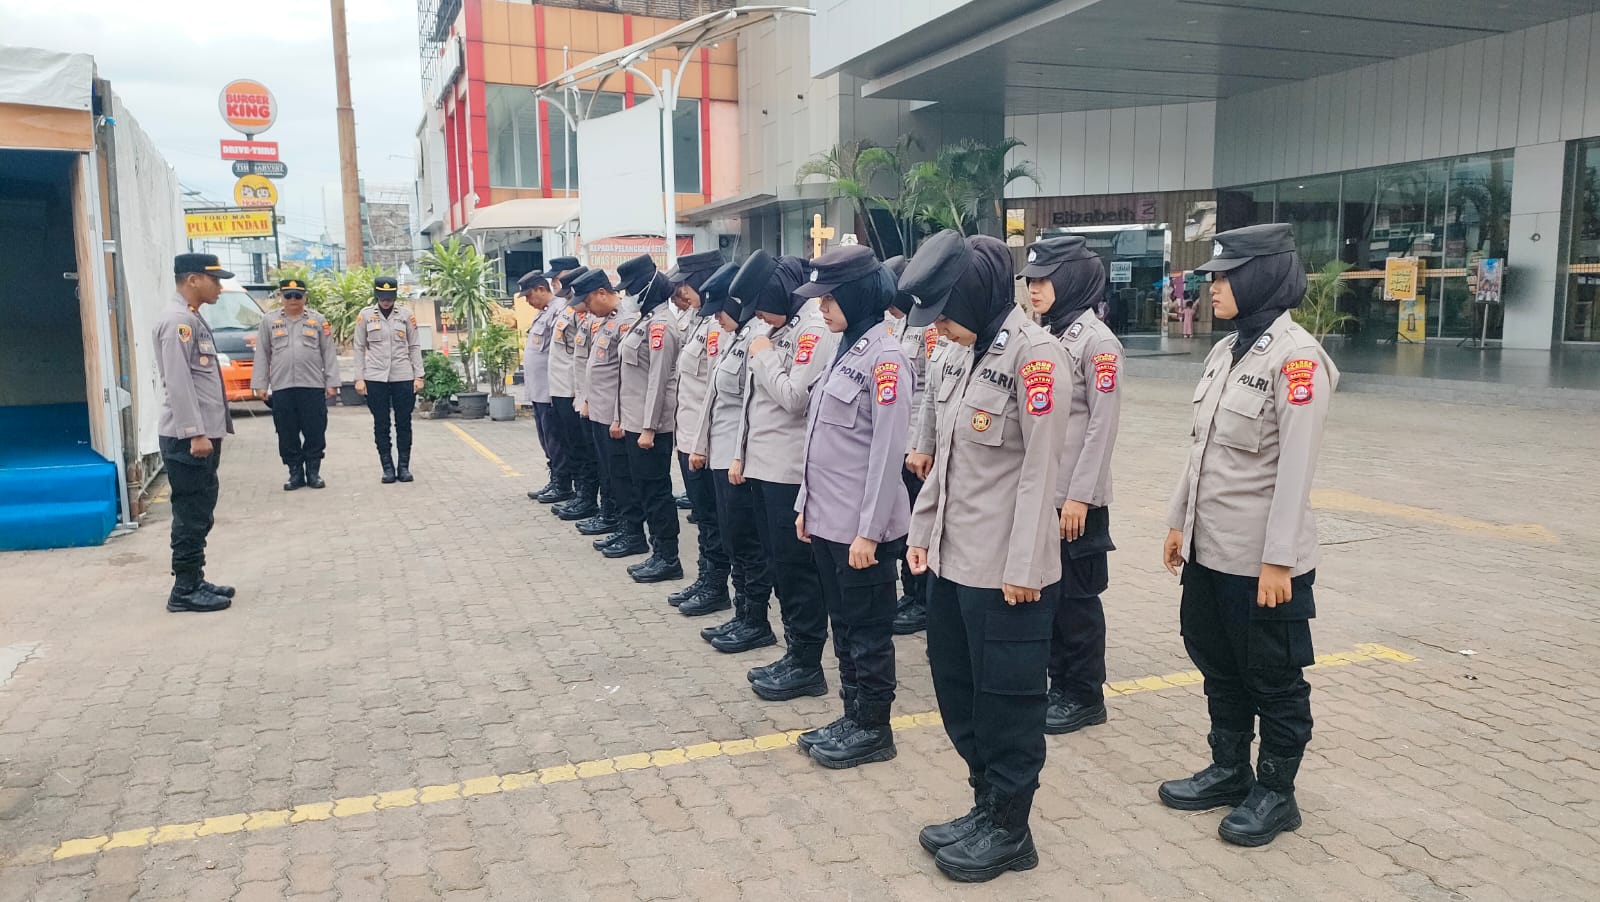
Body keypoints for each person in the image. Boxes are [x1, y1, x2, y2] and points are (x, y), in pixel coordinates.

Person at [1159, 224, 1338, 848]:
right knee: (1218, 663)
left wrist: (1279, 562)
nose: (1212, 287)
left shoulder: (1297, 360)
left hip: (1263, 562)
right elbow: (1200, 450)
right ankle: (1230, 769)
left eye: (1225, 275)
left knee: (1273, 677)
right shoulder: (1226, 351)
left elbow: (1296, 470)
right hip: (1211, 551)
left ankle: (1277, 793)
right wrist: (1178, 521)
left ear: (1260, 276)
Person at [903, 230, 1069, 883]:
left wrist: (1025, 567)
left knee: (1008, 702)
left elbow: (1040, 472)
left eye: (944, 312)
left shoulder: (1037, 358)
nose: (937, 326)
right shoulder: (954, 354)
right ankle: (984, 804)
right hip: (954, 561)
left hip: (1007, 573)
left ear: (974, 296)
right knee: (957, 690)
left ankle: (1011, 829)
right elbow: (943, 461)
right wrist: (921, 534)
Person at [792, 246, 913, 770]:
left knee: (868, 632)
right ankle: (851, 714)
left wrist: (869, 531)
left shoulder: (886, 359)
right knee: (843, 627)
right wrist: (805, 505)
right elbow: (818, 441)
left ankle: (874, 727)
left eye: (830, 298)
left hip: (862, 531)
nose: (821, 307)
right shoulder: (845, 350)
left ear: (859, 294)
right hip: (828, 520)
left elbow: (887, 455)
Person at [1021, 236, 1124, 737]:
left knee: (1077, 602)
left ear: (1072, 281)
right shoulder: (1046, 336)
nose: (1034, 289)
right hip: (1047, 495)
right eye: (1031, 281)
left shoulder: (1098, 343)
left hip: (1077, 501)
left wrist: (1081, 496)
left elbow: (1102, 427)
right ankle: (1058, 683)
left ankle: (1083, 695)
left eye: (1044, 280)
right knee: (1050, 596)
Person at [737, 254, 840, 702]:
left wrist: (763, 358)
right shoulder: (775, 331)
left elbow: (795, 398)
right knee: (779, 565)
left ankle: (807, 663)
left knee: (798, 571)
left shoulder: (811, 331)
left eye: (762, 305)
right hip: (763, 467)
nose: (759, 316)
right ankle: (794, 651)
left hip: (789, 471)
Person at [691, 255, 780, 654]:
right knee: (732, 540)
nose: (715, 318)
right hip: (722, 454)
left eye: (720, 310)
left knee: (747, 543)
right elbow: (714, 398)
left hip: (739, 460)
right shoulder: (735, 337)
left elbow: (751, 404)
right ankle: (742, 612)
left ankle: (756, 619)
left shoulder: (759, 339)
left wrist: (740, 455)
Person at [155, 254, 237, 613]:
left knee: (201, 509)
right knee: (190, 512)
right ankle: (184, 590)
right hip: (188, 438)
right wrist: (195, 433)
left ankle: (194, 577)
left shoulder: (190, 317)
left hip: (200, 434)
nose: (219, 287)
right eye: (214, 280)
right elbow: (178, 382)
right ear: (193, 280)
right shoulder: (178, 322)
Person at [620, 254, 702, 585]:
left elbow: (658, 380)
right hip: (634, 420)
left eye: (631, 289)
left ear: (647, 289)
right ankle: (658, 552)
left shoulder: (661, 326)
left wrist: (649, 428)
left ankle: (668, 557)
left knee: (656, 491)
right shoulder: (646, 320)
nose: (627, 295)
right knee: (645, 488)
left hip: (649, 425)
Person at [671, 261, 738, 615]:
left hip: (705, 441)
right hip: (688, 436)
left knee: (713, 521)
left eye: (686, 285)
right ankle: (706, 576)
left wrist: (701, 444)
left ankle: (716, 585)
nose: (681, 292)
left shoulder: (718, 328)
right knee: (703, 518)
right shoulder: (700, 321)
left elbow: (714, 391)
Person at [574, 265, 648, 558]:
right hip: (600, 412)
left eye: (588, 301)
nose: (587, 308)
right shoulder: (607, 320)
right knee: (611, 474)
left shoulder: (626, 321)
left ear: (602, 293)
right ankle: (621, 525)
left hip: (615, 417)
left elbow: (624, 376)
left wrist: (618, 416)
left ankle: (634, 534)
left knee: (623, 477)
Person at [883, 255, 938, 635]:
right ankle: (911, 590)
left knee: (921, 522)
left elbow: (930, 390)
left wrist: (923, 445)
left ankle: (924, 598)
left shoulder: (929, 326)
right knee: (905, 523)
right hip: (900, 441)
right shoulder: (898, 324)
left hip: (918, 443)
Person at [252, 278, 340, 491]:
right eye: (288, 295)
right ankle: (295, 473)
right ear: (281, 297)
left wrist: (332, 382)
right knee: (286, 432)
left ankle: (313, 472)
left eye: (298, 295)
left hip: (312, 385)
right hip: (282, 387)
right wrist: (260, 384)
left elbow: (328, 352)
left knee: (315, 430)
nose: (293, 299)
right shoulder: (269, 321)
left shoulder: (318, 320)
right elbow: (262, 353)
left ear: (305, 297)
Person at [354, 276, 423, 484]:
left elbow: (414, 346)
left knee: (404, 423)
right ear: (376, 295)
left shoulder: (406, 315)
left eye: (390, 297)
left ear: (395, 296)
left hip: (403, 376)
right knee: (381, 424)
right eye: (382, 297)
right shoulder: (365, 315)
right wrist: (359, 378)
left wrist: (419, 375)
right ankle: (387, 468)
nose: (386, 301)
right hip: (375, 378)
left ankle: (403, 467)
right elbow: (359, 347)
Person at [548, 265, 603, 521]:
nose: (571, 299)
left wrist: (582, 396)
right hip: (563, 388)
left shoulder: (587, 317)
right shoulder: (570, 311)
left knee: (584, 449)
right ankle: (581, 494)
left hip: (575, 391)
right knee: (573, 446)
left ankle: (587, 497)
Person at [522, 272, 571, 504]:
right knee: (546, 438)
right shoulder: (543, 313)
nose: (527, 301)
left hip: (551, 390)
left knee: (555, 439)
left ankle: (563, 484)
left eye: (529, 295)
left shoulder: (558, 310)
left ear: (541, 289)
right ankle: (555, 478)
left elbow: (559, 353)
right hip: (538, 390)